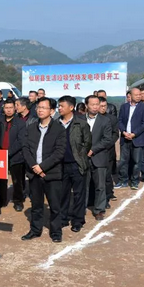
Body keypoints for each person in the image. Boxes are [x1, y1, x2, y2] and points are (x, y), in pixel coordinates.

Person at [21, 97, 66, 243]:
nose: (40, 110)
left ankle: (56, 232)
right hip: (34, 173)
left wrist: (42, 167)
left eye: (44, 108)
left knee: (55, 205)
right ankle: (35, 230)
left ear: (52, 111)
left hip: (51, 173)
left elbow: (59, 152)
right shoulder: (31, 128)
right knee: (36, 205)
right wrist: (35, 166)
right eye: (38, 107)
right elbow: (25, 148)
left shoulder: (59, 129)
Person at [57, 96, 91, 231]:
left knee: (79, 194)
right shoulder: (56, 123)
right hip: (60, 165)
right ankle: (63, 218)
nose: (59, 108)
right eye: (59, 106)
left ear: (71, 107)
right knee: (62, 194)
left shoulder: (81, 124)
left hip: (77, 164)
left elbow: (87, 143)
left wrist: (80, 156)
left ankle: (78, 220)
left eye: (62, 106)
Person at [84, 95, 114, 221]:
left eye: (97, 104)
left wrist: (93, 150)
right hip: (83, 158)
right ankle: (81, 208)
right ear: (86, 105)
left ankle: (99, 210)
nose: (95, 107)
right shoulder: (80, 119)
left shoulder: (105, 120)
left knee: (100, 185)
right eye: (93, 104)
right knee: (83, 185)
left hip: (99, 156)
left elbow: (107, 139)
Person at [116, 88, 144, 191]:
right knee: (123, 161)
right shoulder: (124, 107)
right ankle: (123, 180)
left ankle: (134, 181)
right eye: (136, 95)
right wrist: (123, 132)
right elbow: (120, 121)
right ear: (130, 96)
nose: (139, 96)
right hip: (125, 138)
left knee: (137, 162)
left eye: (140, 94)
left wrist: (134, 134)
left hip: (138, 139)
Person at [0, 98, 27, 212]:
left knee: (17, 181)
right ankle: (2, 200)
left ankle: (18, 201)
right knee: (1, 180)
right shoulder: (0, 121)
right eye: (6, 108)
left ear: (15, 108)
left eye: (11, 107)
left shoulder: (20, 123)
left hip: (15, 156)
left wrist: (9, 152)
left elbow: (21, 141)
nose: (8, 110)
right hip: (0, 155)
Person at [98, 96, 119, 205]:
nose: (103, 108)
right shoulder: (91, 119)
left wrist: (107, 144)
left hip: (108, 150)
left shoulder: (112, 119)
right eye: (101, 106)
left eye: (105, 106)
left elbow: (115, 134)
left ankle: (108, 195)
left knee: (107, 174)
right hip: (95, 151)